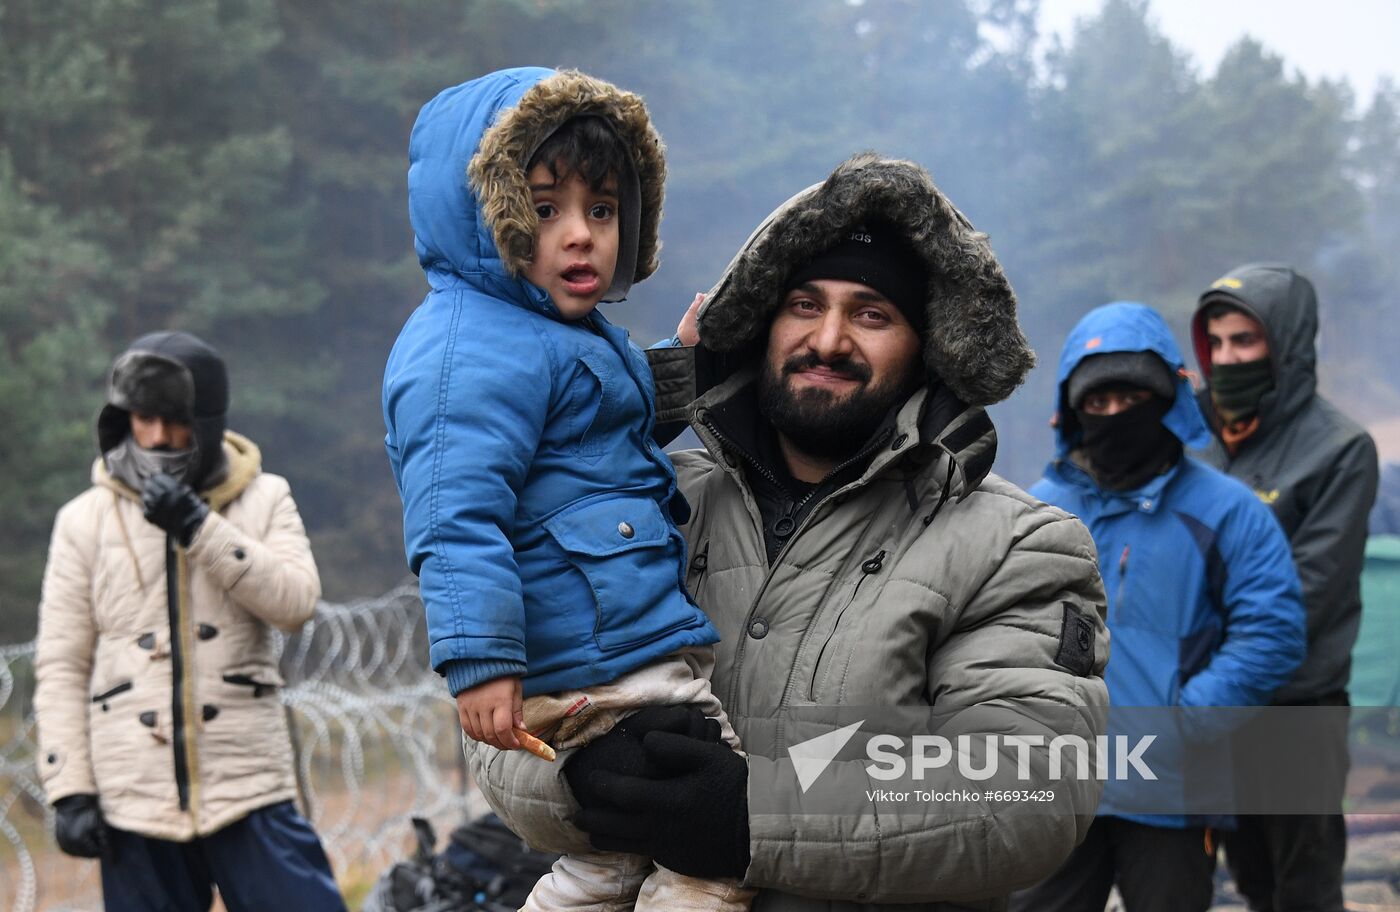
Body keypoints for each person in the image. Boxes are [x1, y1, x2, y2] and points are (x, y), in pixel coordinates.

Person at [464, 151, 1113, 910]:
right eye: (804, 304)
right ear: (762, 324)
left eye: (872, 315)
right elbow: (504, 726)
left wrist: (750, 819)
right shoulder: (641, 505)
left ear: (929, 350)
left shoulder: (1017, 546)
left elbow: (1028, 791)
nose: (829, 339)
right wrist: (582, 778)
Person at [382, 67, 754, 910]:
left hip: (605, 642)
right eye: (545, 210)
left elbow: (596, 450)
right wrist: (480, 662)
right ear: (485, 215)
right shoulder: (466, 351)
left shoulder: (553, 334)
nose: (581, 235)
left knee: (611, 863)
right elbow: (454, 517)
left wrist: (679, 365)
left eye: (603, 209)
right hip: (606, 660)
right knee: (725, 842)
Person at [33, 331, 344, 911]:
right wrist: (69, 788)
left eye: (171, 420)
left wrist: (201, 529)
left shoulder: (266, 497)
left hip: (250, 786)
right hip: (133, 799)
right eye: (140, 417)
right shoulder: (82, 520)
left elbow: (297, 603)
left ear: (204, 421)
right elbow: (62, 663)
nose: (153, 437)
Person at [1011, 302, 1306, 912]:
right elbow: (997, 627)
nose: (1116, 415)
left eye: (1133, 398)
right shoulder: (1039, 510)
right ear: (1073, 410)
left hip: (1173, 787)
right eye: (1099, 402)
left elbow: (1271, 632)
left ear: (1169, 400)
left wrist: (1183, 725)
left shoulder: (1228, 510)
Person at [1191, 263, 1380, 912]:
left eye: (1245, 341)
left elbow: (1309, 587)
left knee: (1305, 886)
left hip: (1298, 705)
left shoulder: (1340, 449)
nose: (1226, 358)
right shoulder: (1199, 438)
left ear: (1289, 343)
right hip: (1212, 703)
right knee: (1251, 881)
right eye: (1215, 343)